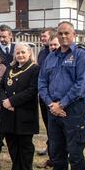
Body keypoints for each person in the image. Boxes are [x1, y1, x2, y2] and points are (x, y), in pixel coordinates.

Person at [38, 21, 85, 170]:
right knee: (56, 150)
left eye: (67, 33)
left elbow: (82, 84)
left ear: (74, 34)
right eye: (60, 33)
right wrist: (51, 104)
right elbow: (42, 83)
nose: (63, 36)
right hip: (53, 109)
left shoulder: (81, 56)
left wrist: (61, 104)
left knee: (75, 152)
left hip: (73, 110)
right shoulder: (50, 57)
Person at [0, 42, 40, 170]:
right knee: (12, 144)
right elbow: (1, 87)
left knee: (25, 146)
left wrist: (12, 101)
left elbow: (32, 90)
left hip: (24, 114)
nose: (20, 55)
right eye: (18, 53)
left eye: (23, 52)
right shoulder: (10, 68)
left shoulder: (35, 69)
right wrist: (4, 101)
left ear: (29, 53)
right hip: (8, 114)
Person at [36, 28, 56, 158]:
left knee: (55, 127)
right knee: (48, 125)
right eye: (41, 37)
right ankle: (50, 148)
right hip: (43, 96)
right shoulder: (42, 53)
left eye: (45, 36)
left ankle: (55, 153)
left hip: (55, 97)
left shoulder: (58, 53)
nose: (43, 39)